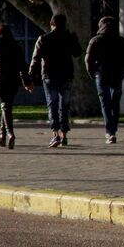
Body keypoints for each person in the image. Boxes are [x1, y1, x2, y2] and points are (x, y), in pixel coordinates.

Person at [29, 12, 81, 148]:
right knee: (64, 105)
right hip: (66, 75)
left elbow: (35, 58)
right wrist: (73, 39)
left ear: (52, 24)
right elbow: (77, 52)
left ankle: (55, 133)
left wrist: (30, 76)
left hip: (49, 75)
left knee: (52, 103)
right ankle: (64, 134)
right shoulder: (69, 38)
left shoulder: (44, 39)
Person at [85, 15, 124, 145]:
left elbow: (88, 59)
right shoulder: (120, 41)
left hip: (101, 75)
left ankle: (110, 131)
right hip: (117, 75)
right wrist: (123, 71)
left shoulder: (95, 40)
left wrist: (92, 73)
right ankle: (113, 129)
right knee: (115, 102)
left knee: (105, 103)